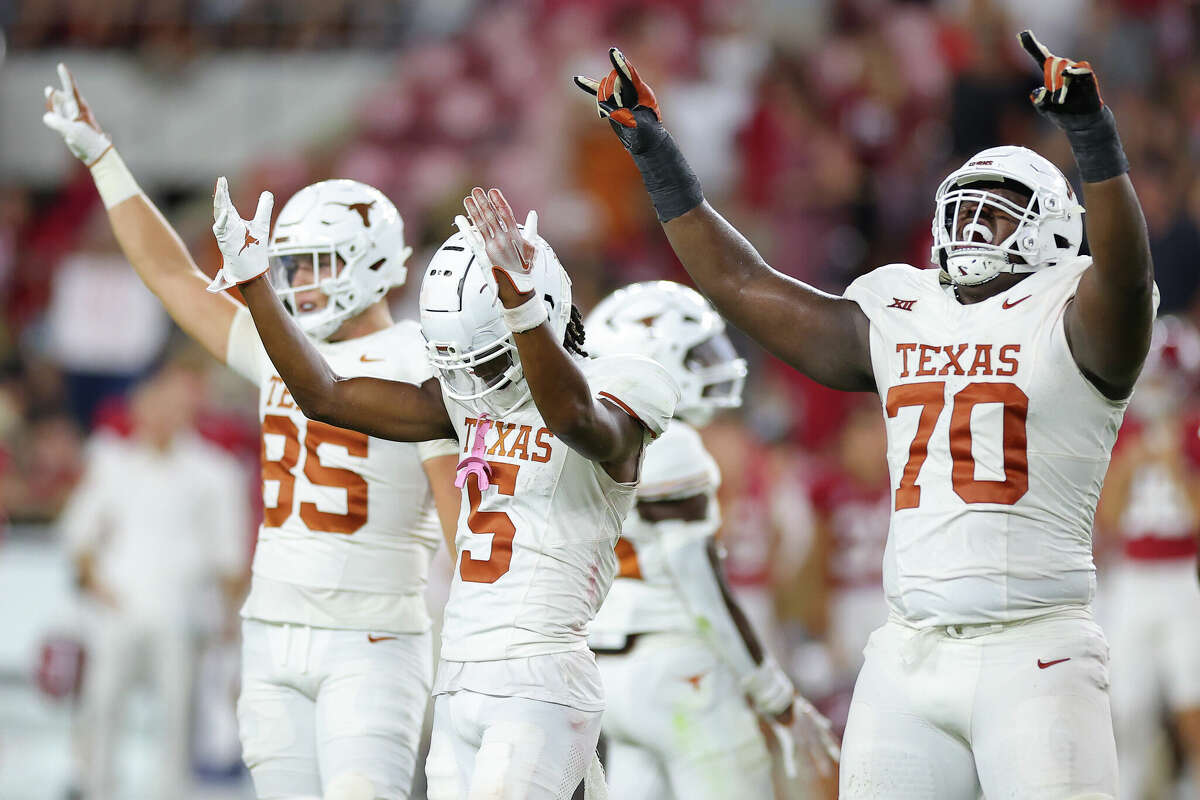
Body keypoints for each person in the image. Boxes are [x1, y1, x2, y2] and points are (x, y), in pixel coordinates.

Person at [575, 29, 1155, 799]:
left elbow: (1124, 272)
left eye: (1003, 210)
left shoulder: (1079, 314)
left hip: (1035, 650)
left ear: (1055, 232)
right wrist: (657, 158)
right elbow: (744, 285)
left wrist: (1091, 134)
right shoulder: (902, 309)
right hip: (906, 653)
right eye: (968, 206)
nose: (976, 223)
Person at [43, 65, 463, 800]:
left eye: (318, 263)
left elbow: (460, 524)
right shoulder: (281, 345)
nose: (298, 283)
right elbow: (171, 276)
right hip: (270, 630)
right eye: (290, 264)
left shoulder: (420, 361)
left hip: (373, 640)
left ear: (375, 262)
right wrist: (105, 161)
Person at [205, 179, 678, 799]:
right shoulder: (466, 399)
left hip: (540, 674)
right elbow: (325, 394)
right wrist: (256, 285)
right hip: (458, 677)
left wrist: (523, 309)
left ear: (539, 311)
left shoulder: (624, 385)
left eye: (483, 359)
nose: (468, 380)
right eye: (455, 360)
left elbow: (576, 419)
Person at [584, 280, 837, 799]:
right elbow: (700, 586)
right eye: (696, 354)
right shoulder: (671, 446)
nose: (712, 366)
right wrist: (775, 694)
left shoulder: (589, 438)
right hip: (678, 667)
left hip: (611, 671)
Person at [60, 357, 249, 800]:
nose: (161, 415)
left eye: (171, 405)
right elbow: (79, 535)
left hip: (180, 610)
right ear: (138, 408)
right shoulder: (111, 463)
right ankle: (95, 787)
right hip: (119, 605)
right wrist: (97, 586)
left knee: (177, 714)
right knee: (101, 707)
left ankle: (172, 791)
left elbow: (228, 554)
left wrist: (228, 620)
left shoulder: (214, 472)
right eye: (153, 404)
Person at [1096, 316, 1200, 799]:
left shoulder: (1195, 432)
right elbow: (1110, 519)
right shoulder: (1121, 432)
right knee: (1127, 704)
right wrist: (1128, 467)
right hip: (1133, 580)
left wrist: (1176, 468)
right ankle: (1132, 788)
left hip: (1185, 578)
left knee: (1191, 699)